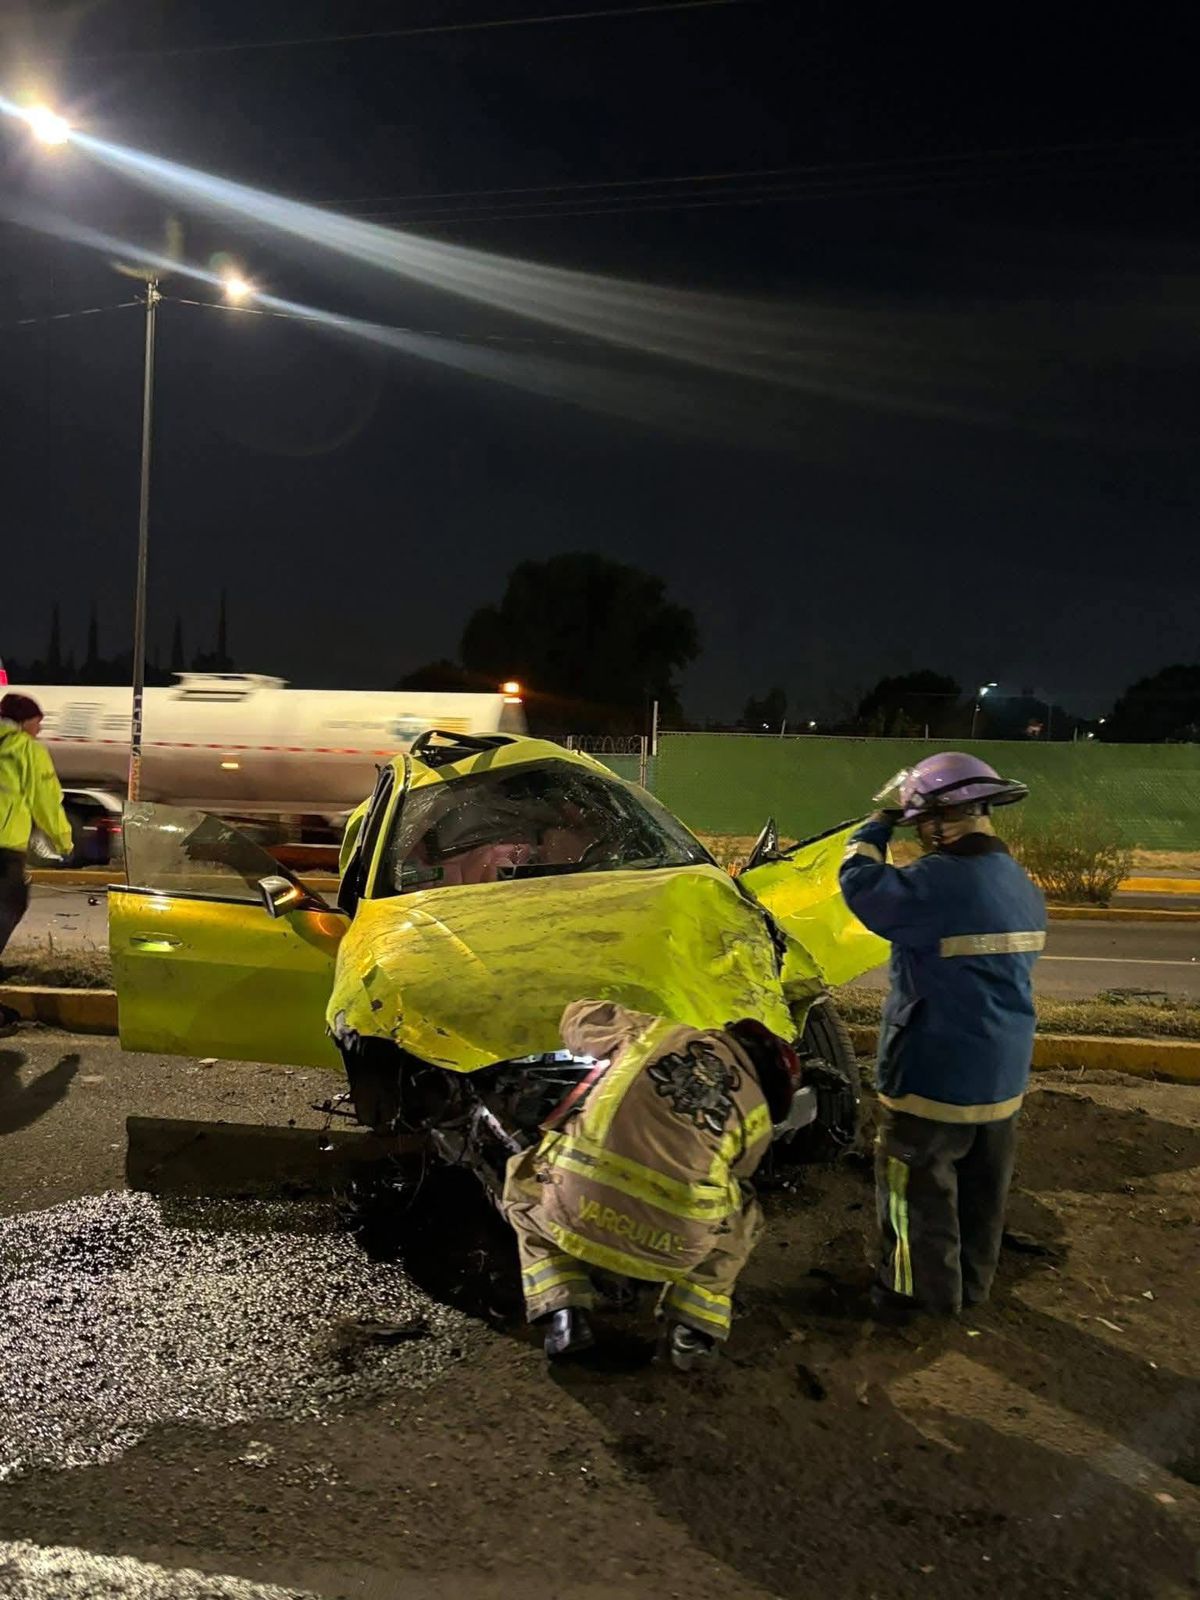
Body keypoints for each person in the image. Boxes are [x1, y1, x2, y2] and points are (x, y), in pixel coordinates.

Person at [838, 752, 1046, 1321]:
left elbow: (860, 883)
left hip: (933, 1072)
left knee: (914, 1193)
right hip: (1001, 1074)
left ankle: (913, 1297)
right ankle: (971, 1287)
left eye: (919, 823)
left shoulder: (936, 883)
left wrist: (876, 826)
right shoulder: (1020, 885)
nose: (919, 835)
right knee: (982, 1194)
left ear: (937, 820)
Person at [502, 998, 807, 1369]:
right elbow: (736, 1176)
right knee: (743, 1217)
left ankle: (562, 1312)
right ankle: (691, 1331)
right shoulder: (757, 1117)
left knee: (522, 1182)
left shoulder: (657, 1033)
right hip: (673, 1245)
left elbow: (579, 1018)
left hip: (575, 1212)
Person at [0, 693, 74, 1029]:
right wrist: (63, 841)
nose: (39, 730)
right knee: (7, 910)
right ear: (24, 720)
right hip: (4, 851)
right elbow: (46, 802)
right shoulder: (26, 750)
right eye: (37, 722)